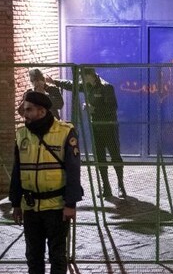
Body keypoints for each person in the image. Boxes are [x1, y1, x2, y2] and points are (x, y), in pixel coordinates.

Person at [9, 91, 83, 274]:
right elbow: (17, 171)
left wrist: (70, 204)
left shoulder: (64, 132)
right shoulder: (21, 134)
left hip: (56, 207)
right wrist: (15, 203)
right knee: (34, 257)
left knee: (57, 256)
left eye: (28, 109)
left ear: (42, 111)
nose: (24, 113)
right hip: (31, 208)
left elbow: (73, 171)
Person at [51, 68, 126, 199]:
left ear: (89, 75)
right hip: (95, 127)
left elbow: (112, 108)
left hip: (108, 127)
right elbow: (72, 85)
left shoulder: (106, 87)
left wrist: (94, 109)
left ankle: (121, 185)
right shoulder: (88, 86)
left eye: (82, 77)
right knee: (100, 157)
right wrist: (54, 82)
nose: (81, 80)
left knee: (115, 156)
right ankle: (106, 187)